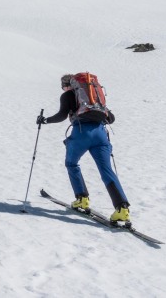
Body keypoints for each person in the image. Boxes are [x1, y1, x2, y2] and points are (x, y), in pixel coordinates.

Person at [38, 74, 130, 223]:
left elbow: (62, 116)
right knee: (106, 170)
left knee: (71, 164)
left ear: (68, 85)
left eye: (63, 86)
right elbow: (111, 118)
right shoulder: (95, 97)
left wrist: (45, 120)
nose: (63, 89)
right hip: (100, 134)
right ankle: (122, 209)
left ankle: (82, 199)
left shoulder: (68, 95)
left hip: (81, 133)